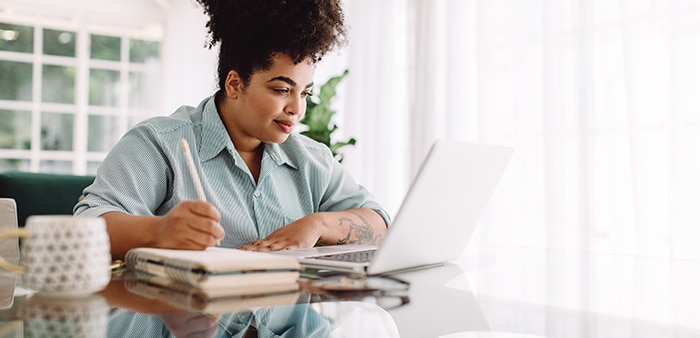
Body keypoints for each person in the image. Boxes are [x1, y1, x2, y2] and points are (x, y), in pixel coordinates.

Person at [74, 0, 390, 259]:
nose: (297, 108)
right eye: (282, 90)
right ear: (235, 84)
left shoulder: (311, 160)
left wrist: (318, 224)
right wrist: (158, 231)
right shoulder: (159, 143)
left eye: (305, 92)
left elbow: (380, 223)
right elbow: (85, 227)